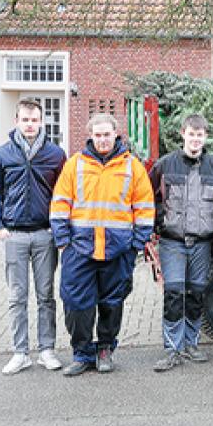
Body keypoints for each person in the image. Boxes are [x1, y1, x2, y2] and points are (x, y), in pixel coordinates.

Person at [50, 113, 155, 376]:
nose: (103, 140)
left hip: (118, 250)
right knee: (76, 304)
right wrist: (63, 242)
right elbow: (60, 203)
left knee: (112, 303)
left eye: (107, 134)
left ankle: (105, 349)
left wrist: (136, 244)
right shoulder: (75, 164)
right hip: (79, 249)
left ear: (116, 134)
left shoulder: (132, 166)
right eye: (98, 135)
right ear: (90, 136)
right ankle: (82, 354)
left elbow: (144, 208)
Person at [0, 99, 67, 375]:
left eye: (34, 120)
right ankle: (20, 353)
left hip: (45, 234)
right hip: (14, 235)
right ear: (17, 121)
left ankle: (46, 350)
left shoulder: (56, 154)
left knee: (46, 296)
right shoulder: (3, 154)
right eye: (25, 120)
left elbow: (65, 194)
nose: (30, 125)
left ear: (41, 122)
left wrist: (58, 228)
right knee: (17, 297)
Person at [148, 114, 213, 372]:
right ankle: (173, 349)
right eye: (191, 134)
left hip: (202, 243)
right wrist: (158, 223)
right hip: (172, 242)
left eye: (200, 135)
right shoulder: (165, 165)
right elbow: (148, 197)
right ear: (183, 134)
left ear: (206, 137)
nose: (195, 139)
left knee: (195, 295)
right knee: (174, 295)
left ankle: (191, 344)